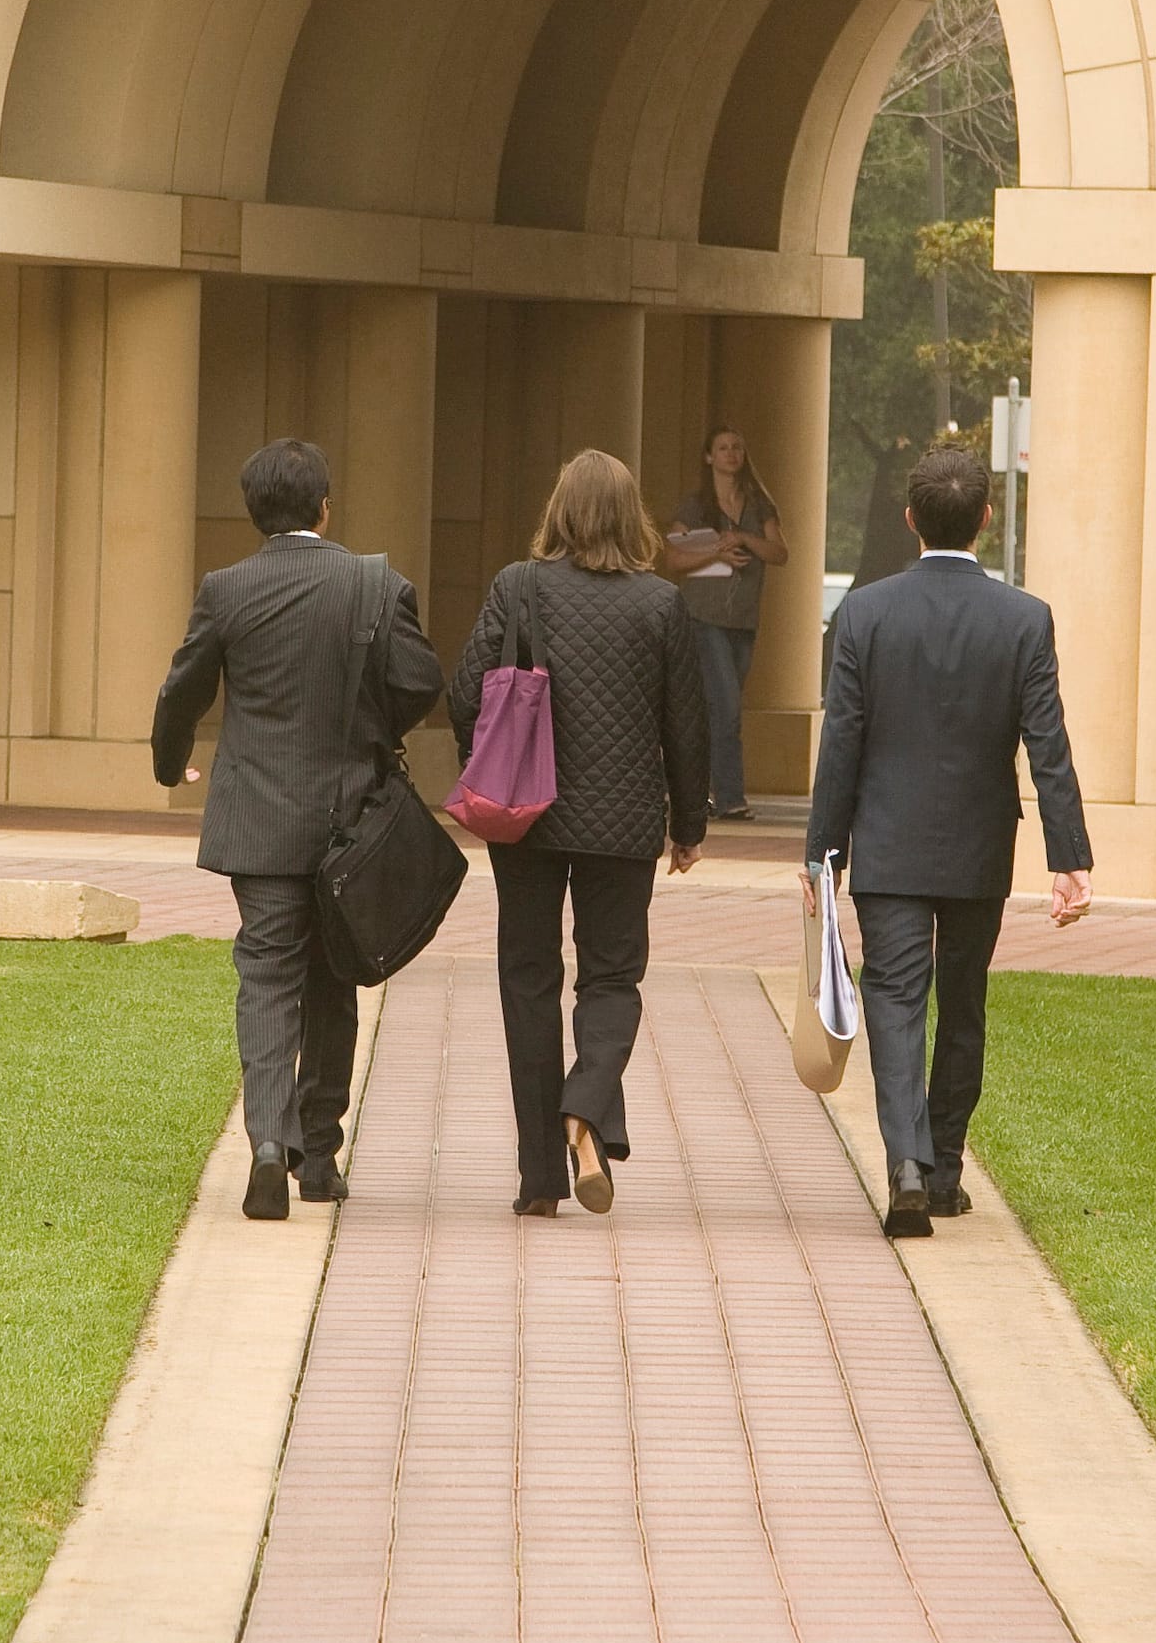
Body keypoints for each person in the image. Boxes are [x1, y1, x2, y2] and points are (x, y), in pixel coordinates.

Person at [799, 443, 1091, 1240]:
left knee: (895, 999)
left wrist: (821, 851)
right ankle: (946, 1166)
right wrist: (1071, 857)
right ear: (987, 520)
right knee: (962, 1003)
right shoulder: (1024, 619)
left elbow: (843, 743)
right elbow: (1048, 744)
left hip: (887, 843)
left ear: (908, 519)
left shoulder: (865, 613)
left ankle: (906, 1163)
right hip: (976, 847)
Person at [152, 437, 442, 1223]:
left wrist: (170, 762)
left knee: (267, 976)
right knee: (335, 975)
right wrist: (368, 734)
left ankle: (268, 1147)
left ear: (255, 513)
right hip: (352, 815)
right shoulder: (374, 584)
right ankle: (320, 1157)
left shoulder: (226, 588)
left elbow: (183, 690)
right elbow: (422, 681)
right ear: (324, 506)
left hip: (258, 818)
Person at [454, 449, 711, 1218]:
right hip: (625, 822)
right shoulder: (661, 604)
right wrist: (687, 823)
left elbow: (465, 691)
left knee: (528, 978)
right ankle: (586, 1105)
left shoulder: (517, 587)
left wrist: (495, 755)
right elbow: (687, 726)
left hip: (524, 817)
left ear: (559, 512)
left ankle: (540, 1179)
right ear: (630, 517)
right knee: (611, 978)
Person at [662, 424, 791, 821]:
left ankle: (688, 791)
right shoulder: (695, 505)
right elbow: (673, 559)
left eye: (737, 447)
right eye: (723, 448)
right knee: (727, 706)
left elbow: (779, 552)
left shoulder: (758, 503)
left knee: (711, 710)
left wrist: (743, 540)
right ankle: (732, 798)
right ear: (709, 457)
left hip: (743, 620)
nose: (731, 453)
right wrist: (717, 550)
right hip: (703, 617)